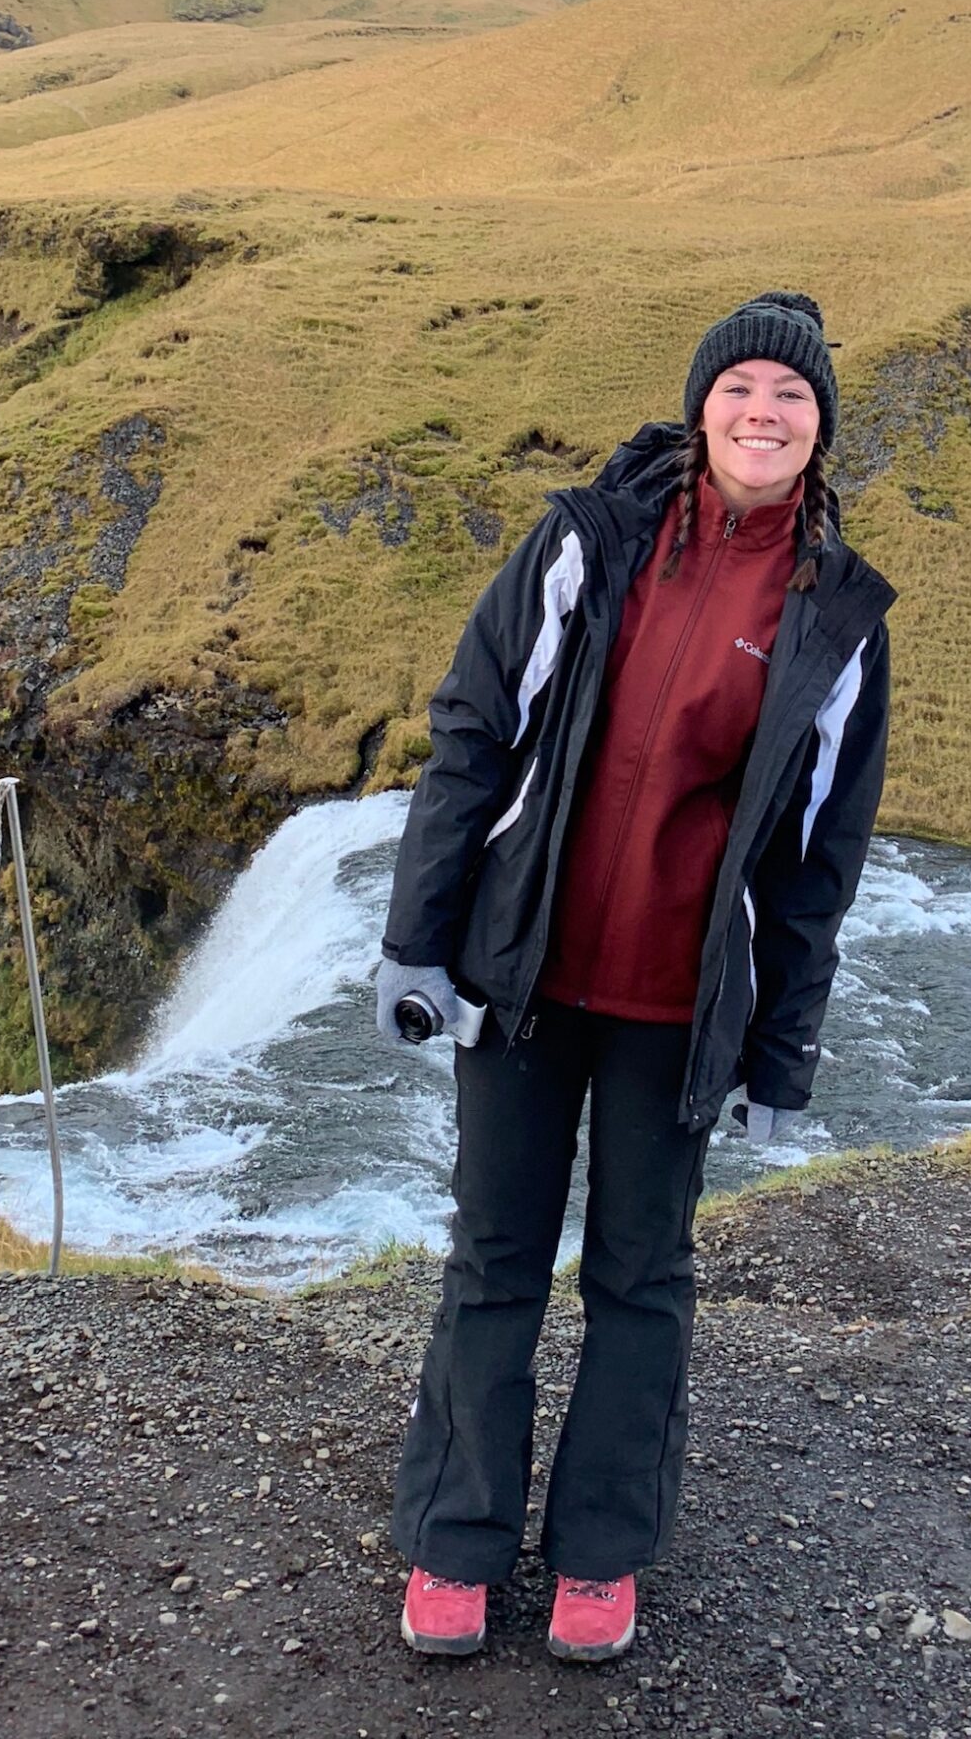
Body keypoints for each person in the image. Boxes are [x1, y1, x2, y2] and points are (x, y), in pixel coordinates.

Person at [373, 290, 896, 1663]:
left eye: (792, 397)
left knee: (642, 1278)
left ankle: (603, 1554)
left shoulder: (836, 617)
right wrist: (416, 941)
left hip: (679, 1005)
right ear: (701, 405)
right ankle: (456, 1541)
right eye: (742, 391)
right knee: (492, 1260)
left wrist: (781, 1053)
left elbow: (816, 860)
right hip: (527, 976)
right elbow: (473, 732)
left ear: (819, 430)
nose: (763, 414)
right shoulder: (587, 544)